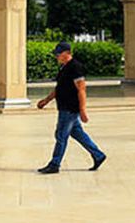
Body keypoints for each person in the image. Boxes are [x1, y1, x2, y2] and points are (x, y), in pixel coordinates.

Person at [36, 41, 106, 174]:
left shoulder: (75, 67)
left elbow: (82, 89)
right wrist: (46, 100)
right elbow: (59, 88)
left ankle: (54, 164)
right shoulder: (64, 67)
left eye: (59, 54)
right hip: (64, 107)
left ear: (67, 53)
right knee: (77, 133)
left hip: (70, 108)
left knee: (61, 135)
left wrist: (83, 109)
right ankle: (98, 155)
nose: (57, 56)